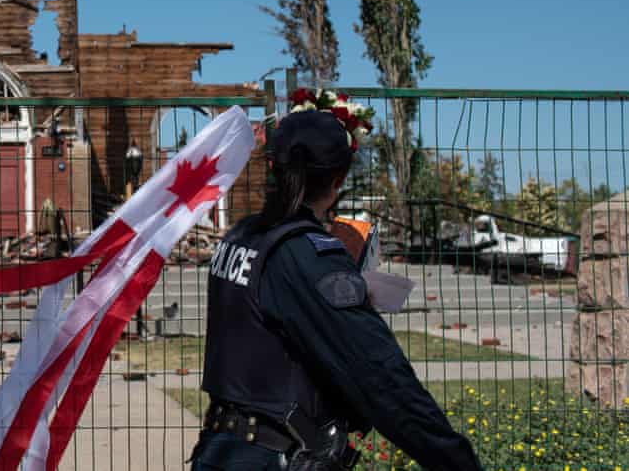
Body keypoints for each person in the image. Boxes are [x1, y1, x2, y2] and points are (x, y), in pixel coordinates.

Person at [191, 109, 481, 471]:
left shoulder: (241, 235)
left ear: (271, 167)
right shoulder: (306, 255)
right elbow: (381, 376)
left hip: (220, 449)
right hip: (271, 457)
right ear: (339, 178)